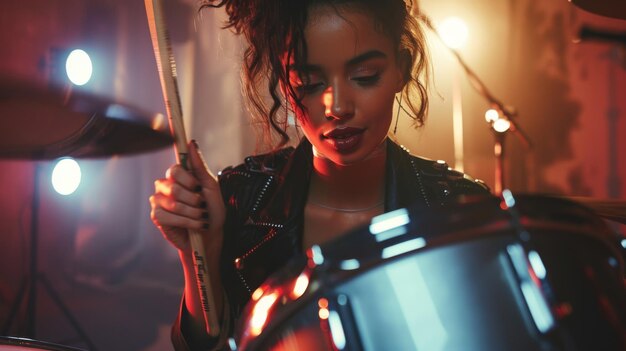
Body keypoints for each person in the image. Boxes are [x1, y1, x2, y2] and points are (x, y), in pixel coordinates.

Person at [149, 0, 489, 349]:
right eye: (309, 83)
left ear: (402, 68)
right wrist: (200, 252)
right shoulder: (242, 199)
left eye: (365, 76)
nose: (337, 106)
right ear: (285, 84)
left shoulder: (461, 208)